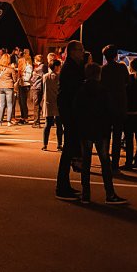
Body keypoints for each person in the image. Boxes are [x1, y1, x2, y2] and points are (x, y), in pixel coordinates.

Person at [72, 61, 128, 204]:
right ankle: (110, 194)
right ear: (98, 74)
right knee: (105, 162)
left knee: (86, 162)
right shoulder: (103, 90)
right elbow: (109, 110)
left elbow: (76, 110)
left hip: (85, 130)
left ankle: (86, 194)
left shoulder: (81, 90)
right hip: (100, 130)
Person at [54, 40, 86, 201]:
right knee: (68, 149)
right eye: (80, 50)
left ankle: (64, 185)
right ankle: (62, 187)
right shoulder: (70, 68)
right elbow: (74, 91)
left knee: (69, 148)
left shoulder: (72, 67)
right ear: (73, 51)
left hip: (69, 111)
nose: (83, 52)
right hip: (70, 112)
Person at [99, 45, 129, 169]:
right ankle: (115, 163)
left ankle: (105, 162)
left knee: (105, 136)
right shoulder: (122, 68)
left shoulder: (102, 70)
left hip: (106, 107)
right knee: (117, 137)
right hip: (120, 105)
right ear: (116, 55)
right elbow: (128, 82)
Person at [42, 58, 62, 151]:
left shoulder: (45, 76)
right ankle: (59, 144)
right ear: (56, 67)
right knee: (59, 125)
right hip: (58, 102)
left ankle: (45, 144)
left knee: (48, 124)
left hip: (48, 102)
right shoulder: (60, 77)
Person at [0, 53, 17, 127]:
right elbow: (15, 79)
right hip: (9, 87)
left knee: (2, 104)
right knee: (9, 104)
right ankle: (8, 121)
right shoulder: (10, 68)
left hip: (0, 87)